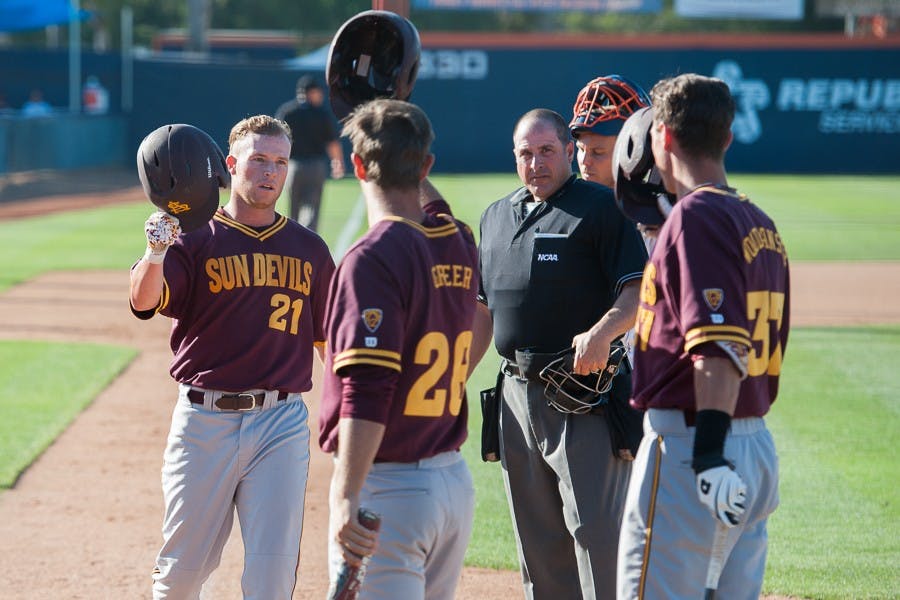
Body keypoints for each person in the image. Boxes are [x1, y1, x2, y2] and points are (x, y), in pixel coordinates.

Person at [130, 115, 336, 599]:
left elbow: (328, 338)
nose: (270, 172)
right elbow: (142, 301)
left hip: (280, 423)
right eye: (259, 160)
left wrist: (348, 408)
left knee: (272, 576)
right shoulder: (193, 237)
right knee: (180, 574)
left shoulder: (309, 249)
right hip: (204, 421)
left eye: (280, 162)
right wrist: (155, 251)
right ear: (230, 165)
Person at [616, 73, 791, 599]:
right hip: (753, 443)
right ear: (727, 138)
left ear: (662, 137)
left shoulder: (695, 216)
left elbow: (718, 348)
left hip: (695, 445)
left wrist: (709, 457)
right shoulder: (757, 219)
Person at [475, 108, 648, 600]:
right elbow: (482, 312)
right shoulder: (494, 216)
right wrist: (453, 377)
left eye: (547, 151)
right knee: (538, 541)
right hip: (514, 393)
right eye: (525, 154)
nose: (535, 163)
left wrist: (601, 332)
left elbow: (638, 291)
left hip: (582, 393)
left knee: (596, 532)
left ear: (568, 152)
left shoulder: (600, 208)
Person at [318, 98, 480, 600]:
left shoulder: (370, 259)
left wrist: (346, 495)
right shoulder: (458, 241)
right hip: (453, 483)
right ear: (426, 165)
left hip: (388, 491)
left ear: (358, 165)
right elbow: (437, 209)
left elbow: (368, 388)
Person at [570, 75, 660, 251]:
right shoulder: (566, 208)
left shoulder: (655, 223)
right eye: (581, 149)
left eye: (598, 152)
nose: (585, 161)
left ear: (634, 151)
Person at [275, 74, 346, 230]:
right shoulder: (321, 113)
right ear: (311, 92)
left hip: (292, 167)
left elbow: (276, 142)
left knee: (292, 211)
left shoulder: (288, 112)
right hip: (316, 166)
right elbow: (332, 142)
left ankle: (290, 242)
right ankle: (308, 245)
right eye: (318, 92)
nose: (320, 96)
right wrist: (338, 163)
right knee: (311, 210)